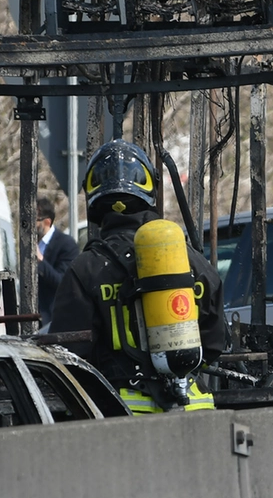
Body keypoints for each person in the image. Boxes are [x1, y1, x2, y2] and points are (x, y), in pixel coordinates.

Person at [49, 141, 226, 414]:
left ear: (94, 196)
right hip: (194, 410)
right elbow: (215, 342)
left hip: (123, 416)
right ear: (148, 191)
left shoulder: (85, 269)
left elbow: (68, 357)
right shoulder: (190, 260)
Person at [34, 196, 79, 331]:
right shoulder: (32, 243)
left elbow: (62, 282)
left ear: (46, 222)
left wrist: (40, 261)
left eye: (33, 220)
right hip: (33, 317)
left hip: (54, 318)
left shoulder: (66, 244)